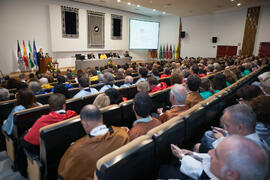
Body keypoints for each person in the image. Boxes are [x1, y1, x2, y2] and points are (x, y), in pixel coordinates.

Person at [58, 105, 129, 180]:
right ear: (101, 117)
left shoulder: (75, 150)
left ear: (84, 124)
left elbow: (64, 175)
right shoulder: (123, 134)